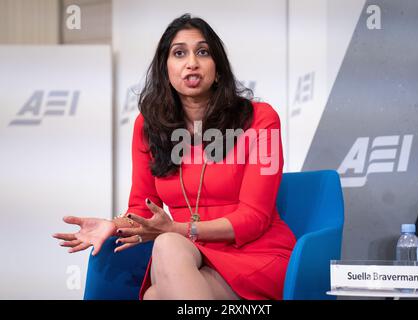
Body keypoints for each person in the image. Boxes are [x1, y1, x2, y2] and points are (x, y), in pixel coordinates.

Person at [53, 13, 296, 300]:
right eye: (179, 53)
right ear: (165, 70)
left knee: (158, 285)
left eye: (202, 52)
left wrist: (179, 228)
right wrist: (114, 224)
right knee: (163, 268)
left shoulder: (260, 119)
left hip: (256, 255)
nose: (191, 62)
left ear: (217, 69)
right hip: (190, 256)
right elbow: (143, 208)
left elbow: (254, 218)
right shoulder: (148, 127)